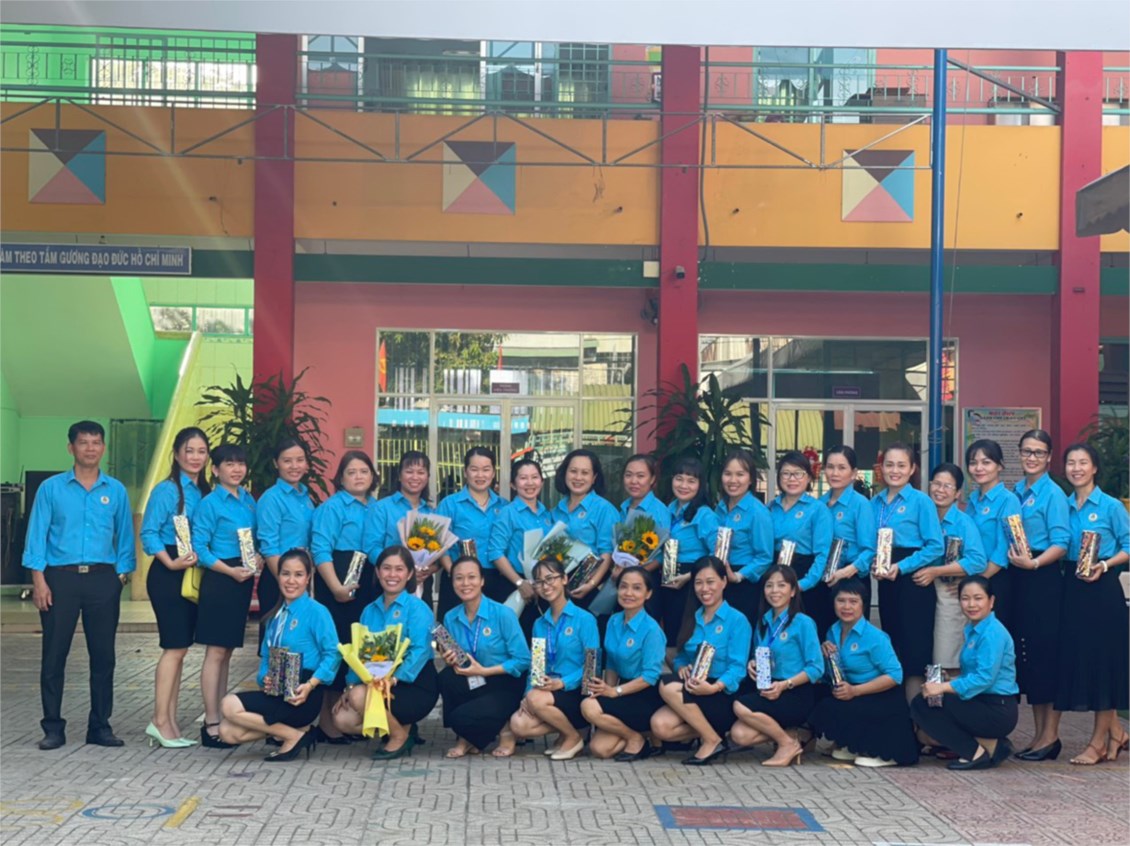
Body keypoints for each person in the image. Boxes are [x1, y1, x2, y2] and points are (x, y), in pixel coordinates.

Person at [23, 421, 135, 750]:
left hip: (103, 578)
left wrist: (120, 577)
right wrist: (39, 580)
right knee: (54, 655)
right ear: (70, 447)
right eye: (83, 442)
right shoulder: (51, 489)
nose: (90, 448)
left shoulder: (115, 490)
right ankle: (53, 728)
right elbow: (36, 535)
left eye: (96, 442)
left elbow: (125, 536)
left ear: (103, 448)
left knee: (104, 657)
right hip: (60, 578)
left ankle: (99, 726)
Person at [217, 549, 340, 761]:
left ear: (308, 578)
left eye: (298, 575)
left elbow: (333, 654)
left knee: (228, 704)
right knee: (227, 732)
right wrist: (263, 678)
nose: (291, 581)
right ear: (278, 576)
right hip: (277, 689)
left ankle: (292, 736)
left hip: (302, 693)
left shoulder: (317, 611)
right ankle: (296, 733)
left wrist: (310, 685)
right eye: (285, 574)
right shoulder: (274, 617)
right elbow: (266, 657)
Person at [1054, 442, 1130, 765]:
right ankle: (1117, 732)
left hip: (1103, 589)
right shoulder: (1063, 505)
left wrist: (1105, 564)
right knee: (1081, 660)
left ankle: (1097, 743)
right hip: (1072, 588)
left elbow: (1128, 545)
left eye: (1083, 462)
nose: (1076, 468)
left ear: (1094, 467)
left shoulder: (1111, 506)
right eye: (1071, 463)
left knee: (1104, 663)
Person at [138, 426, 211, 748]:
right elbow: (149, 532)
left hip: (192, 572)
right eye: (189, 451)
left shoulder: (204, 491)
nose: (195, 457)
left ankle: (169, 720)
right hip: (169, 574)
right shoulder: (167, 490)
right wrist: (170, 563)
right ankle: (159, 720)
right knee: (174, 648)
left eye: (201, 451)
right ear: (177, 454)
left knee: (181, 649)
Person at [334, 546, 438, 760]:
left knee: (360, 696)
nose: (392, 575)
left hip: (412, 683)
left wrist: (393, 679)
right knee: (342, 719)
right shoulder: (368, 611)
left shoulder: (418, 608)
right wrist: (350, 684)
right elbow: (359, 652)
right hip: (376, 682)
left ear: (409, 574)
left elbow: (420, 651)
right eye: (387, 568)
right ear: (378, 572)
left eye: (399, 569)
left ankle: (399, 736)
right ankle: (400, 725)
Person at [192, 443, 263, 749]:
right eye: (229, 464)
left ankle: (222, 715)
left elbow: (255, 538)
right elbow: (200, 548)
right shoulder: (210, 503)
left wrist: (258, 557)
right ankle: (210, 722)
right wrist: (230, 571)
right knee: (216, 652)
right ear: (215, 469)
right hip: (221, 579)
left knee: (228, 652)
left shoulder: (248, 500)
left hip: (242, 579)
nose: (236, 469)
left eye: (240, 464)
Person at [650, 556, 752, 766]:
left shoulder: (737, 620)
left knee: (667, 686)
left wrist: (714, 688)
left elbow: (738, 668)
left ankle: (711, 741)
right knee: (660, 726)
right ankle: (713, 734)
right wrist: (681, 667)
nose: (704, 588)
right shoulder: (692, 617)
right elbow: (681, 657)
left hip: (721, 693)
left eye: (710, 582)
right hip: (694, 688)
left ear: (724, 582)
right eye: (698, 582)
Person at [911, 575, 1019, 770]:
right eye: (965, 598)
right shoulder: (973, 629)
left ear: (991, 601)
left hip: (997, 708)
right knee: (928, 703)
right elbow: (974, 674)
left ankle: (975, 753)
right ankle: (991, 746)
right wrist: (950, 680)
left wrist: (944, 687)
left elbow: (984, 679)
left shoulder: (992, 633)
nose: (971, 604)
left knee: (923, 704)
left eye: (978, 598)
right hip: (981, 701)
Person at [808, 578, 919, 767]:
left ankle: (882, 752)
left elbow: (895, 675)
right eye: (841, 601)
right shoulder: (832, 632)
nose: (846, 607)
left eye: (853, 601)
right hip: (849, 690)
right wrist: (824, 656)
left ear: (863, 605)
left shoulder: (875, 636)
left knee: (844, 707)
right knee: (821, 702)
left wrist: (855, 691)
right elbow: (832, 673)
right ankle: (852, 745)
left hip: (879, 695)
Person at [1008, 429, 1070, 761]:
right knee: (1029, 657)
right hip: (1020, 575)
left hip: (1042, 576)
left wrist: (1033, 563)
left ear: (1048, 458)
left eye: (1039, 453)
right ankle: (1037, 736)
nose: (1032, 458)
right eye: (1027, 451)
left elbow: (1061, 543)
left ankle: (1051, 736)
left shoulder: (1053, 494)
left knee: (1045, 655)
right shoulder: (1017, 491)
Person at [310, 449, 380, 741]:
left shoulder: (377, 506)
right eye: (351, 472)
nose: (358, 477)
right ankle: (327, 723)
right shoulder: (332, 507)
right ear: (340, 478)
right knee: (336, 647)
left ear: (373, 476)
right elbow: (320, 550)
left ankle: (351, 715)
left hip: (368, 582)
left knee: (360, 648)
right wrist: (336, 587)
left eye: (364, 471)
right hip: (337, 582)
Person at [870, 442, 944, 701]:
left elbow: (935, 545)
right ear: (881, 468)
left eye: (901, 465)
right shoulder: (875, 503)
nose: (895, 470)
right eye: (889, 465)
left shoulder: (921, 501)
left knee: (915, 649)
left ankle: (917, 712)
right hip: (886, 579)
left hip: (913, 580)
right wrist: (874, 562)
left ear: (912, 469)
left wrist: (902, 567)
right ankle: (897, 711)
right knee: (893, 642)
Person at [437, 555, 530, 758]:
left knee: (460, 718)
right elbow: (456, 656)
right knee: (446, 677)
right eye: (459, 578)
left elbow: (523, 660)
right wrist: (450, 658)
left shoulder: (503, 614)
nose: (465, 583)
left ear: (482, 581)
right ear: (452, 582)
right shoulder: (450, 617)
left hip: (503, 681)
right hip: (473, 679)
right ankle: (467, 737)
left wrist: (485, 671)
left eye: (471, 577)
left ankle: (506, 730)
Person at [508, 557, 601, 760]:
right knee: (518, 724)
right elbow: (536, 666)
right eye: (539, 582)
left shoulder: (585, 619)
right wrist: (527, 695)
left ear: (564, 579)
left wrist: (562, 683)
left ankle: (573, 737)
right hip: (546, 692)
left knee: (536, 699)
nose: (545, 585)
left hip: (576, 690)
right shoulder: (539, 624)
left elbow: (592, 667)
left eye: (550, 578)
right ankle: (570, 731)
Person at [731, 565, 823, 767]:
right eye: (769, 585)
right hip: (769, 689)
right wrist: (753, 663)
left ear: (793, 591)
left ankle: (786, 744)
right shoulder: (763, 622)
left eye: (781, 585)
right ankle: (793, 734)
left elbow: (816, 668)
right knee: (740, 735)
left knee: (739, 706)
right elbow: (760, 653)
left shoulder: (803, 622)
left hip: (794, 692)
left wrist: (785, 685)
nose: (774, 591)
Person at [581, 567, 666, 761]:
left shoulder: (651, 629)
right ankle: (637, 737)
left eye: (637, 588)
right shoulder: (613, 621)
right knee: (600, 749)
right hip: (622, 691)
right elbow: (612, 661)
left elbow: (650, 676)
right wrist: (607, 692)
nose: (629, 593)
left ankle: (637, 737)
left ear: (648, 594)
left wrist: (614, 692)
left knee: (588, 706)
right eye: (624, 587)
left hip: (645, 694)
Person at [912, 464, 986, 676]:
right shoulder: (920, 516)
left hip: (947, 591)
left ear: (957, 493)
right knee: (920, 652)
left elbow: (978, 561)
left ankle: (947, 695)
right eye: (936, 484)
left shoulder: (963, 522)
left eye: (947, 486)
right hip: (918, 589)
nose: (940, 490)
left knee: (946, 655)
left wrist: (937, 572)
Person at [588, 453, 672, 618]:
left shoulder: (658, 510)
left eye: (640, 476)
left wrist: (633, 572)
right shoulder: (622, 508)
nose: (634, 481)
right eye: (629, 475)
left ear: (652, 479)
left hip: (645, 583)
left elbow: (661, 555)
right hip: (622, 580)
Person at [255, 439, 316, 642]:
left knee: (300, 641)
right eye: (287, 461)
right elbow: (268, 546)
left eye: (300, 460)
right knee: (277, 644)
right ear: (276, 463)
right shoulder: (271, 498)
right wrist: (287, 582)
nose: (294, 466)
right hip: (279, 580)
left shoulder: (305, 497)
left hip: (301, 579)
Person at [488, 458, 555, 635]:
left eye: (535, 477)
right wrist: (520, 582)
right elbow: (495, 552)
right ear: (513, 484)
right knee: (517, 635)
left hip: (544, 586)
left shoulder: (546, 514)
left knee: (540, 636)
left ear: (542, 481)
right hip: (515, 586)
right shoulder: (508, 513)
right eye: (523, 478)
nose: (530, 483)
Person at [437, 447, 507, 614]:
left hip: (496, 579)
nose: (480, 475)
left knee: (493, 626)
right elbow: (439, 545)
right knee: (452, 627)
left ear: (493, 473)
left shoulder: (504, 506)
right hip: (460, 579)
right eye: (474, 469)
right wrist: (455, 574)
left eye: (486, 469)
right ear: (465, 472)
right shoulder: (449, 504)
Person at [661, 456, 720, 649]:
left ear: (700, 485)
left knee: (685, 637)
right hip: (669, 576)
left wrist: (689, 576)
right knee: (669, 635)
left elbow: (716, 555)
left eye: (691, 481)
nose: (683, 485)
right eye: (679, 479)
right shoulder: (669, 509)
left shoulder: (705, 515)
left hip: (691, 581)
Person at [773, 451, 834, 637]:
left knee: (805, 637)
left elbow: (822, 554)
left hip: (805, 580)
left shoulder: (818, 510)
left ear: (808, 477)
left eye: (798, 473)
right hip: (776, 579)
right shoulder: (770, 508)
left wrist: (804, 584)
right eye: (786, 473)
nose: (792, 479)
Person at [552, 449, 617, 612]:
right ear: (565, 473)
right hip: (559, 584)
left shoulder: (604, 509)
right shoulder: (557, 510)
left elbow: (607, 553)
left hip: (591, 582)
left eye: (585, 473)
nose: (578, 477)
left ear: (594, 478)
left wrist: (592, 584)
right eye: (573, 471)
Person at [964, 439, 1020, 630]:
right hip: (973, 579)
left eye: (986, 462)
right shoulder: (973, 500)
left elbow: (1005, 547)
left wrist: (980, 580)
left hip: (995, 578)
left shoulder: (1009, 500)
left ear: (1000, 466)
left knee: (992, 634)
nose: (979, 468)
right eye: (973, 463)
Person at [715, 448, 774, 623]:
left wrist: (739, 576)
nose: (733, 480)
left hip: (745, 584)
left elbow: (764, 557)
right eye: (728, 474)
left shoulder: (757, 512)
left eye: (740, 474)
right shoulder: (720, 507)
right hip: (719, 580)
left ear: (750, 479)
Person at [366, 451, 437, 597]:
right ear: (399, 476)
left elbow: (437, 552)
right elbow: (371, 547)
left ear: (427, 477)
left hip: (422, 583)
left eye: (421, 472)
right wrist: (398, 568)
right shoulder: (382, 508)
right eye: (409, 472)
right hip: (389, 581)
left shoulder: (431, 513)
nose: (415, 477)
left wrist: (428, 569)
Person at [819, 446, 876, 620]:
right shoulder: (819, 504)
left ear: (853, 473)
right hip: (823, 577)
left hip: (851, 580)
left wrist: (845, 573)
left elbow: (869, 550)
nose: (834, 473)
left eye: (842, 468)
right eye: (830, 467)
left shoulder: (861, 504)